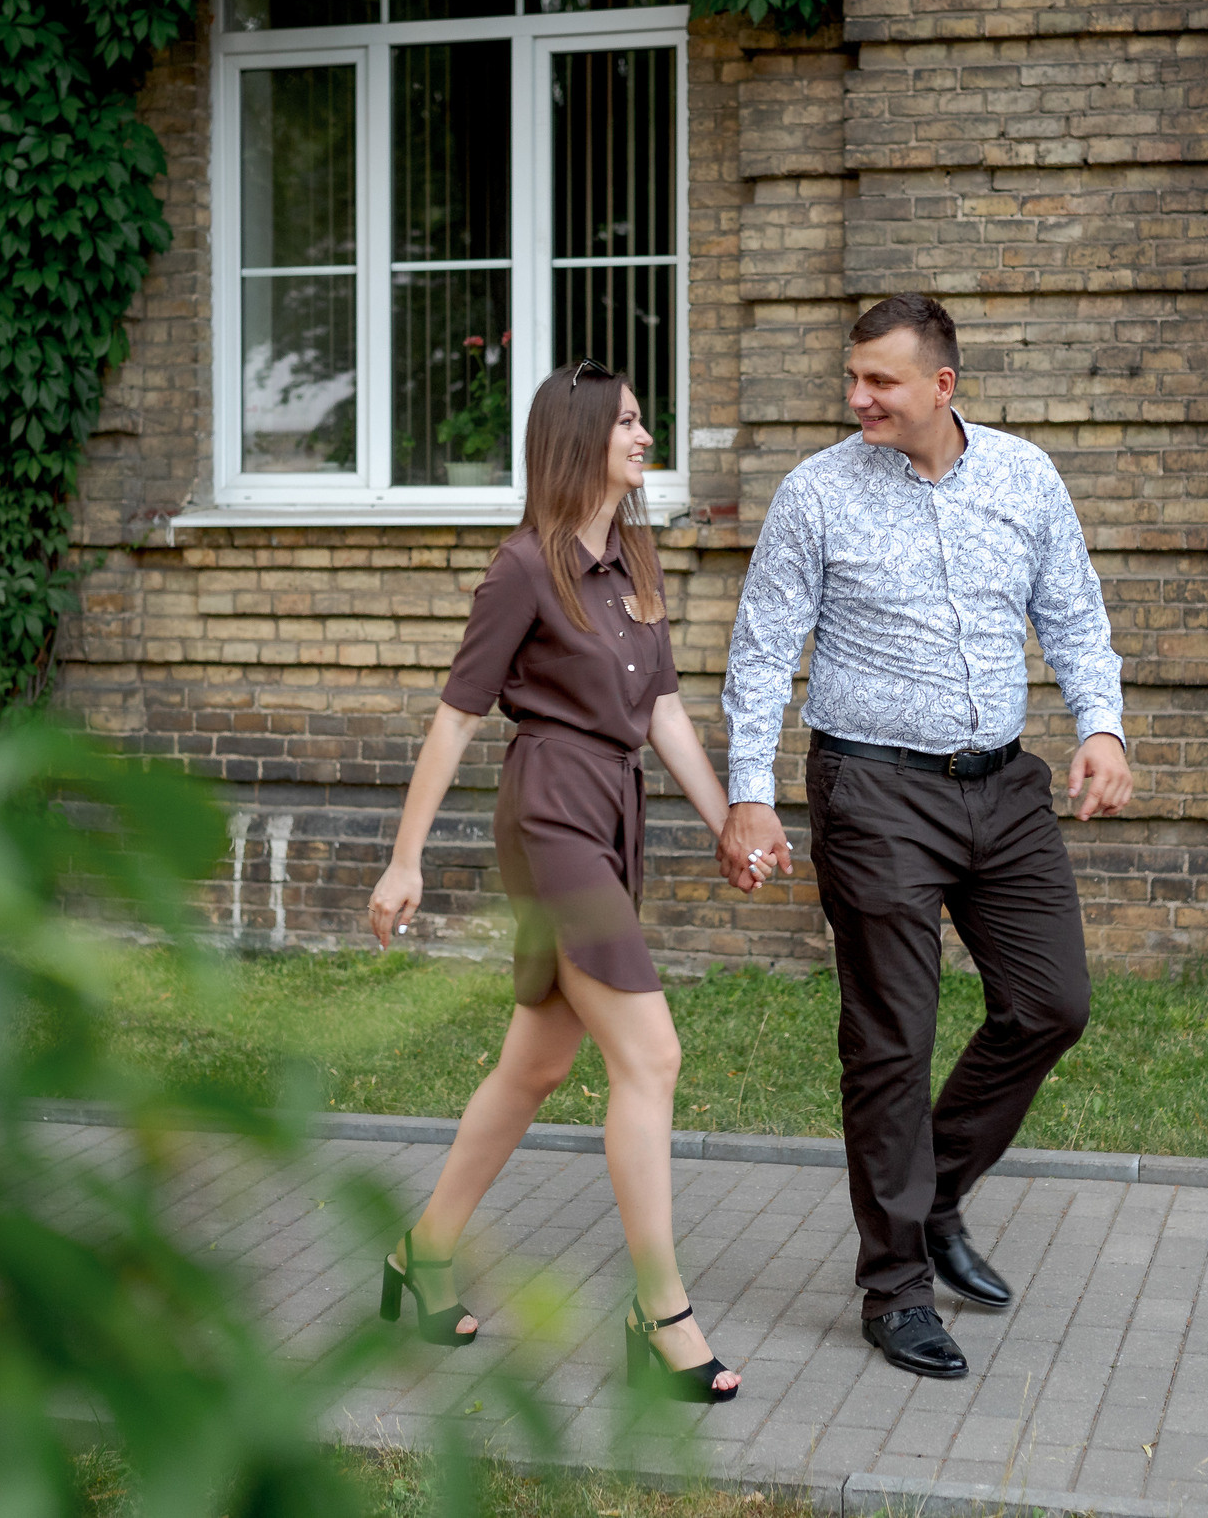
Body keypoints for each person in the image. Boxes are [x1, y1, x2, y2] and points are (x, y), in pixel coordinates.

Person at [717, 293, 1133, 1382]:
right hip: (872, 792)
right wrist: (749, 792)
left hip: (1001, 789)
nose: (858, 398)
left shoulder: (1024, 477)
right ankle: (894, 1286)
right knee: (890, 1042)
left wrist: (1100, 725)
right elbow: (762, 650)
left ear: (941, 386)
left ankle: (934, 1191)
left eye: (880, 382)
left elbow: (1074, 611)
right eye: (852, 378)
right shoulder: (815, 494)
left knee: (1053, 1001)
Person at [364, 358, 741, 1402]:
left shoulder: (631, 556)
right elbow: (457, 714)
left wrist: (728, 825)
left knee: (534, 1064)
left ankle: (421, 1252)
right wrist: (405, 858)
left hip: (610, 810)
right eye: (625, 421)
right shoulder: (521, 567)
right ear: (578, 439)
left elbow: (662, 708)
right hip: (550, 814)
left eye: (641, 417)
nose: (643, 433)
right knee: (650, 1053)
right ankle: (658, 1311)